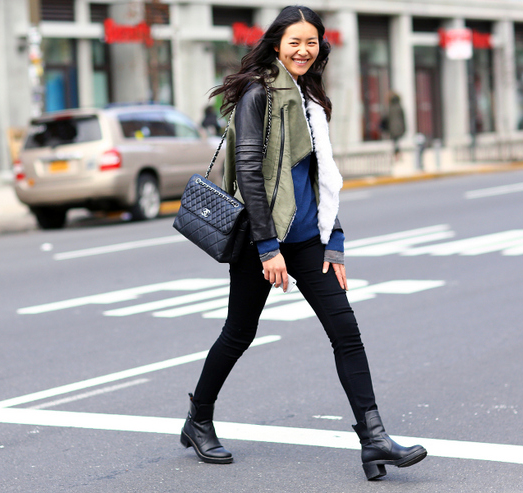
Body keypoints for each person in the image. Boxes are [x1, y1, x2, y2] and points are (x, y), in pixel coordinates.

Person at [179, 5, 427, 481]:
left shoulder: (309, 98)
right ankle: (198, 419)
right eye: (294, 41)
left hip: (308, 236)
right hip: (263, 237)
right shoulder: (258, 95)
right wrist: (267, 247)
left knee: (346, 331)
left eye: (311, 41)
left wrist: (335, 241)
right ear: (276, 44)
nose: (303, 49)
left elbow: (321, 180)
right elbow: (250, 171)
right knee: (239, 332)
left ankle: (374, 440)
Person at [383, 91, 406, 159]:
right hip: (399, 127)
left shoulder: (390, 108)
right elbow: (403, 118)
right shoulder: (399, 107)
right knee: (397, 142)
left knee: (395, 142)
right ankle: (398, 155)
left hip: (392, 128)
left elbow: (386, 118)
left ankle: (397, 155)